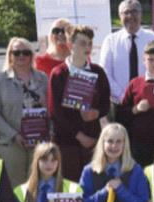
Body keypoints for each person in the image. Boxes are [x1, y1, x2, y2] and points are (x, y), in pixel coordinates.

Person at [47, 24, 110, 180]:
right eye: (82, 43)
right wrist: (79, 135)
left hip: (93, 139)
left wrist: (97, 113)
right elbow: (55, 111)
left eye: (89, 43)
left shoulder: (98, 72)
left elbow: (106, 104)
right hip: (67, 142)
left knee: (94, 183)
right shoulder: (59, 73)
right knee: (70, 186)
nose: (87, 47)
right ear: (70, 45)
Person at [0, 37, 49, 187]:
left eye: (26, 52)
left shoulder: (42, 78)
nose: (21, 56)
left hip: (39, 142)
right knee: (15, 189)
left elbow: (50, 110)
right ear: (10, 55)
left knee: (37, 185)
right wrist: (14, 135)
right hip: (11, 144)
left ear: (31, 55)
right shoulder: (0, 79)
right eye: (16, 53)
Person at [100, 0, 154, 104]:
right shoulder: (110, 41)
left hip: (148, 102)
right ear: (120, 16)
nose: (130, 16)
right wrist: (123, 96)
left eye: (134, 11)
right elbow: (105, 73)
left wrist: (150, 95)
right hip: (119, 103)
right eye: (126, 12)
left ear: (141, 14)